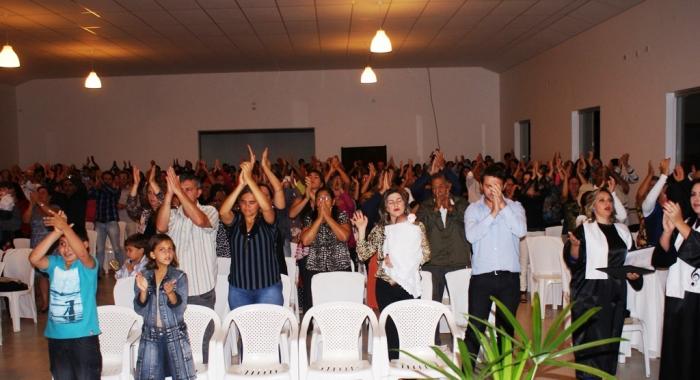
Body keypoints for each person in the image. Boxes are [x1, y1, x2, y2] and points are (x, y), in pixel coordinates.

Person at [564, 188, 642, 378]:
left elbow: (633, 260)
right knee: (589, 344)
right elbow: (573, 260)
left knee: (610, 343)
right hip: (589, 293)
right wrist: (574, 247)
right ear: (593, 207)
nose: (607, 203)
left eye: (609, 200)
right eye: (601, 200)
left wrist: (634, 274)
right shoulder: (583, 229)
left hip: (615, 294)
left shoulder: (622, 231)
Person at [353, 188, 431, 359]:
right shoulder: (380, 229)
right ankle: (393, 369)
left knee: (409, 331)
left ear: (405, 204)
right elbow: (363, 254)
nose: (396, 204)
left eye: (399, 200)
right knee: (391, 332)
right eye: (391, 201)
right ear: (386, 208)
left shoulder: (416, 226)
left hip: (408, 285)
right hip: (385, 285)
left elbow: (426, 255)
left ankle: (410, 370)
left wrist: (401, 260)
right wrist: (361, 230)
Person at [28, 210, 102, 380]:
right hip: (57, 336)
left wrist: (65, 228)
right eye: (62, 244)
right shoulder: (54, 263)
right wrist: (57, 232)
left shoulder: (88, 265)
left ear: (85, 244)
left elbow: (82, 254)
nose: (66, 249)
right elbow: (34, 258)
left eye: (70, 244)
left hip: (83, 336)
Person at [155, 167, 219, 362]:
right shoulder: (173, 215)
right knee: (176, 344)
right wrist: (169, 194)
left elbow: (200, 220)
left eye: (189, 189)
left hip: (201, 291)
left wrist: (178, 191)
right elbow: (160, 227)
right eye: (180, 189)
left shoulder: (210, 211)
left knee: (202, 346)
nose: (182, 193)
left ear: (199, 192)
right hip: (174, 289)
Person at [464, 164, 526, 359]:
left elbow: (521, 230)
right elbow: (471, 236)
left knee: (506, 330)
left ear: (504, 186)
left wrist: (503, 207)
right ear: (481, 186)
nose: (492, 190)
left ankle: (504, 373)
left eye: (496, 185)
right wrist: (493, 213)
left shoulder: (515, 207)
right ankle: (466, 372)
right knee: (475, 328)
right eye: (488, 185)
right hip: (482, 277)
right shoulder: (473, 210)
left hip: (509, 278)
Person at [219, 157, 282, 310]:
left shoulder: (267, 222)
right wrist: (241, 185)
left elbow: (267, 208)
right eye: (243, 202)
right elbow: (223, 212)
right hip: (239, 288)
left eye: (252, 202)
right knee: (244, 332)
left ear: (258, 204)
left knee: (269, 330)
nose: (247, 206)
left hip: (268, 287)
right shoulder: (235, 221)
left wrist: (250, 179)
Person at [652, 179, 700, 379]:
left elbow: (697, 252)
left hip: (696, 298)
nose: (697, 199)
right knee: (674, 351)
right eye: (694, 194)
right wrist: (668, 232)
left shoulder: (684, 223)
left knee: (692, 353)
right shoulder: (688, 222)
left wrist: (678, 223)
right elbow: (666, 257)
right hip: (676, 293)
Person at [134, 234, 196, 380]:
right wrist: (143, 291)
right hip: (150, 335)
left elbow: (180, 309)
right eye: (162, 249)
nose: (168, 253)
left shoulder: (179, 276)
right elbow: (139, 308)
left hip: (175, 335)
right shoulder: (144, 275)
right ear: (152, 254)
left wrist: (170, 294)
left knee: (182, 376)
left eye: (170, 249)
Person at [416, 172, 471, 304]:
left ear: (448, 186)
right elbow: (420, 230)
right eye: (434, 188)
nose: (437, 191)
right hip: (433, 265)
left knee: (462, 306)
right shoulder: (425, 206)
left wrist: (452, 210)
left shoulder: (462, 204)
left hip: (457, 262)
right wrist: (435, 211)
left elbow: (469, 224)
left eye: (440, 187)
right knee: (432, 306)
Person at [299, 186, 352, 310]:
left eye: (326, 198)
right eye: (319, 198)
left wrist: (327, 217)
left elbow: (344, 236)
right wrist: (319, 219)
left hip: (340, 267)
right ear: (316, 202)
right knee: (316, 308)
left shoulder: (341, 216)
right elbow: (306, 240)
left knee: (339, 308)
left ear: (333, 201)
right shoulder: (310, 218)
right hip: (315, 268)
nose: (322, 201)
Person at [90, 170, 125, 272]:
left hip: (112, 222)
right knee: (100, 250)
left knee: (116, 248)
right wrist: (96, 186)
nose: (106, 181)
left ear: (112, 180)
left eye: (109, 179)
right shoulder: (99, 189)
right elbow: (90, 194)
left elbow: (113, 192)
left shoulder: (115, 189)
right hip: (99, 222)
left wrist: (100, 182)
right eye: (104, 179)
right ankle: (98, 271)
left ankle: (121, 270)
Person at [126, 165, 164, 239]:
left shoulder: (168, 212)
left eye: (155, 193)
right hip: (145, 247)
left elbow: (163, 200)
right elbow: (131, 208)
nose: (152, 197)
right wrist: (136, 184)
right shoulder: (146, 212)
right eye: (149, 192)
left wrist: (152, 182)